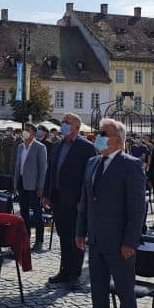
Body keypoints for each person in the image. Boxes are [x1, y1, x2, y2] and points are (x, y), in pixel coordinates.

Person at [73, 118, 146, 308]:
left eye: (103, 133)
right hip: (95, 239)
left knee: (126, 294)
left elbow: (137, 208)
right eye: (98, 132)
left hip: (120, 243)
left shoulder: (131, 165)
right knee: (98, 292)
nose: (98, 136)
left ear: (118, 139)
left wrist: (130, 242)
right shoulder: (92, 162)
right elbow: (85, 200)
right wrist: (80, 231)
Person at [43, 113, 96, 289]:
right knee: (64, 236)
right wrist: (47, 194)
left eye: (67, 122)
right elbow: (51, 170)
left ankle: (75, 273)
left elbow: (89, 177)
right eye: (63, 122)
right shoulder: (58, 145)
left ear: (77, 127)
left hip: (75, 201)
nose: (63, 124)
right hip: (58, 198)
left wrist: (84, 200)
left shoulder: (86, 147)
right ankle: (64, 271)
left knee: (77, 237)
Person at [14, 123, 47, 252]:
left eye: (27, 130)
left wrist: (40, 187)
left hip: (34, 186)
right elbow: (17, 166)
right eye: (24, 130)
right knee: (24, 213)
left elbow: (43, 169)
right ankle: (25, 238)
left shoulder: (40, 147)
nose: (24, 133)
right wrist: (15, 184)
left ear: (33, 133)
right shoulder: (21, 147)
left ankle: (39, 240)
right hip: (22, 183)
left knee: (37, 214)